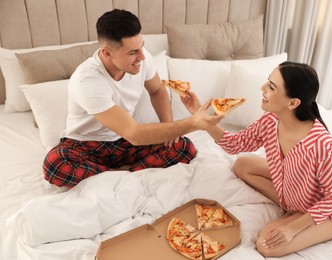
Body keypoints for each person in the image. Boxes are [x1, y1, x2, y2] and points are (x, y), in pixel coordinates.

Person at [181, 61, 332, 257]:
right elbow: (234, 145)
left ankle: (299, 213)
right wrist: (202, 117)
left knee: (266, 245)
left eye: (271, 87)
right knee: (242, 165)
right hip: (295, 191)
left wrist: (293, 228)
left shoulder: (321, 145)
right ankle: (292, 206)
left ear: (293, 103)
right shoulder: (271, 120)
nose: (262, 88)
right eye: (268, 82)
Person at [42, 9, 223, 188]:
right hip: (87, 144)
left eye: (141, 46)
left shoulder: (143, 58)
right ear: (107, 53)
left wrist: (168, 127)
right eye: (132, 52)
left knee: (183, 148)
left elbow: (157, 90)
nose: (142, 56)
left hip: (125, 143)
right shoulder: (88, 80)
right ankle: (128, 175)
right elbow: (134, 134)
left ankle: (111, 177)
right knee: (55, 165)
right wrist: (194, 122)